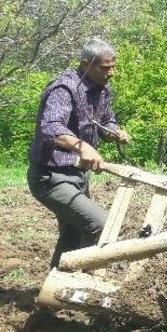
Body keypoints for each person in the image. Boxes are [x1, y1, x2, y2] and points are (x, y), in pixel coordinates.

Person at [27, 36, 131, 268]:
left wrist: (114, 132)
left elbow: (106, 120)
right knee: (100, 224)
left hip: (79, 176)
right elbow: (50, 126)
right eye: (106, 67)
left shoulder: (102, 90)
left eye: (113, 66)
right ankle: (80, 282)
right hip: (51, 177)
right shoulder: (64, 88)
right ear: (86, 64)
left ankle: (54, 294)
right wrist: (82, 146)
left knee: (72, 234)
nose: (112, 72)